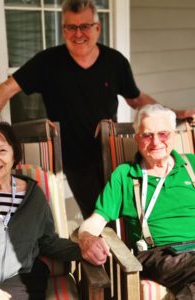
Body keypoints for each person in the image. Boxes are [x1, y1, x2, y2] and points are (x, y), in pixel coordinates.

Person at [0, 0, 195, 219]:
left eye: (84, 26)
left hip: (110, 152)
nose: (78, 34)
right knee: (98, 215)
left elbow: (136, 100)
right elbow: (6, 89)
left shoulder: (115, 62)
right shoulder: (47, 62)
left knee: (128, 210)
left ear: (97, 27)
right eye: (71, 27)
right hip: (75, 159)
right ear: (63, 30)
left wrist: (172, 114)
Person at [78, 103, 195, 299]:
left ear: (173, 135)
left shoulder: (191, 164)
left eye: (163, 134)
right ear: (137, 139)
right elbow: (95, 220)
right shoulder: (125, 175)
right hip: (161, 254)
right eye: (147, 135)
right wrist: (86, 238)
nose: (156, 142)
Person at [0, 121, 81, 300]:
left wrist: (83, 248)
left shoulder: (33, 196)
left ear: (15, 154)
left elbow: (47, 242)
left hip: (22, 278)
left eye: (2, 151)